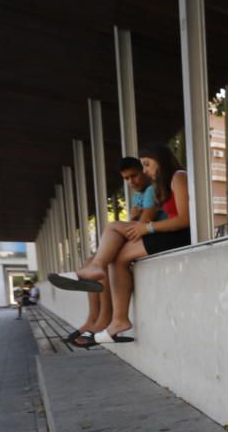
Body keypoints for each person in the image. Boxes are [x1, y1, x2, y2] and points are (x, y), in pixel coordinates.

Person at [49, 144, 191, 343]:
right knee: (117, 258)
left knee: (114, 226)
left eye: (147, 165)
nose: (147, 171)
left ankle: (97, 273)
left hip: (180, 235)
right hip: (169, 233)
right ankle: (118, 320)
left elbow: (186, 219)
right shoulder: (165, 183)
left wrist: (148, 228)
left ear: (161, 158)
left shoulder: (179, 176)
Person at [67, 157, 162, 347]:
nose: (131, 182)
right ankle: (96, 319)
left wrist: (137, 218)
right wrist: (135, 216)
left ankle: (104, 320)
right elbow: (135, 225)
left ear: (144, 170)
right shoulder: (138, 196)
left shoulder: (152, 190)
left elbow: (138, 229)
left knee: (107, 253)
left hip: (154, 238)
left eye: (134, 176)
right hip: (143, 238)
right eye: (126, 179)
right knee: (90, 262)